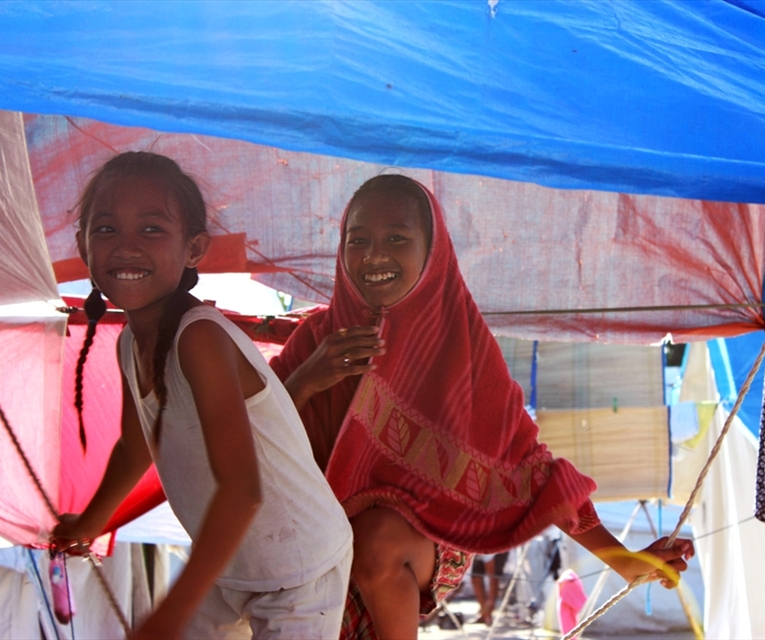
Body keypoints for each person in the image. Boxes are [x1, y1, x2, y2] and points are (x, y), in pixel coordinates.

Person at [270, 174, 695, 640]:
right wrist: (306, 380)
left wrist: (621, 559)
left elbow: (532, 470)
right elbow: (248, 441)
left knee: (378, 536)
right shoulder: (315, 342)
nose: (374, 255)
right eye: (359, 240)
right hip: (313, 539)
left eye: (396, 238)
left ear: (433, 253)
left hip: (428, 538)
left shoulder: (463, 348)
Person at [52, 152, 353, 639]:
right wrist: (90, 522)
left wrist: (170, 614)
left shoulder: (200, 338)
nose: (126, 247)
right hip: (229, 559)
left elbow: (243, 491)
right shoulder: (130, 341)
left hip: (301, 566)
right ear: (83, 247)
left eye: (151, 230)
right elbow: (135, 447)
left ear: (194, 248)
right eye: (105, 230)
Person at [471, 551, 510, 624]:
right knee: (475, 577)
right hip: (479, 546)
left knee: (493, 578)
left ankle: (488, 613)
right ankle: (484, 612)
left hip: (496, 546)